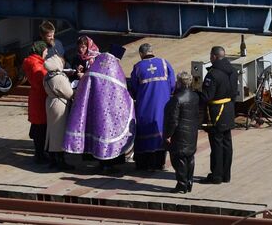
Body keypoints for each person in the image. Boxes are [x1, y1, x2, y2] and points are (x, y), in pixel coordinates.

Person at [63, 37, 135, 174]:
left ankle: (101, 163)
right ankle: (108, 165)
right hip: (111, 112)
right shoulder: (114, 68)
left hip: (96, 108)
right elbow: (121, 90)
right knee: (108, 136)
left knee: (98, 134)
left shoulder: (98, 64)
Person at [128, 43, 174, 171]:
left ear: (141, 54)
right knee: (161, 132)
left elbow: (134, 88)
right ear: (152, 51)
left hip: (145, 107)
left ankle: (145, 164)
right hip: (163, 106)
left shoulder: (138, 67)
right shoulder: (165, 63)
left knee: (145, 133)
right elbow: (173, 84)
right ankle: (160, 163)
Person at [201, 45, 238, 184]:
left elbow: (207, 96)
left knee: (216, 144)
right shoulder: (233, 71)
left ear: (214, 57)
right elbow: (234, 92)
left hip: (217, 111)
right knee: (227, 143)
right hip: (229, 109)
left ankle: (216, 175)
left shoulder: (213, 74)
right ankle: (226, 175)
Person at [163, 71, 201, 194]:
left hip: (179, 133)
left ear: (179, 83)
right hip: (191, 132)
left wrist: (168, 134)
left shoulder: (177, 99)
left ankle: (181, 184)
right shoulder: (195, 96)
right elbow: (199, 114)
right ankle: (189, 182)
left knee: (178, 159)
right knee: (190, 157)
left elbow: (173, 120)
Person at [43, 53, 74, 169]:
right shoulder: (58, 77)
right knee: (59, 133)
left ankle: (52, 159)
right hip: (59, 105)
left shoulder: (47, 76)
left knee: (51, 131)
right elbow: (69, 93)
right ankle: (60, 161)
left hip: (50, 102)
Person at [22, 41, 50, 165]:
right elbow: (44, 82)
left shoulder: (31, 62)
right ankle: (39, 155)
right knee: (41, 129)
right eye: (45, 51)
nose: (47, 53)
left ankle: (39, 153)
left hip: (35, 98)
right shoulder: (37, 66)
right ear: (40, 51)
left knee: (37, 127)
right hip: (40, 99)